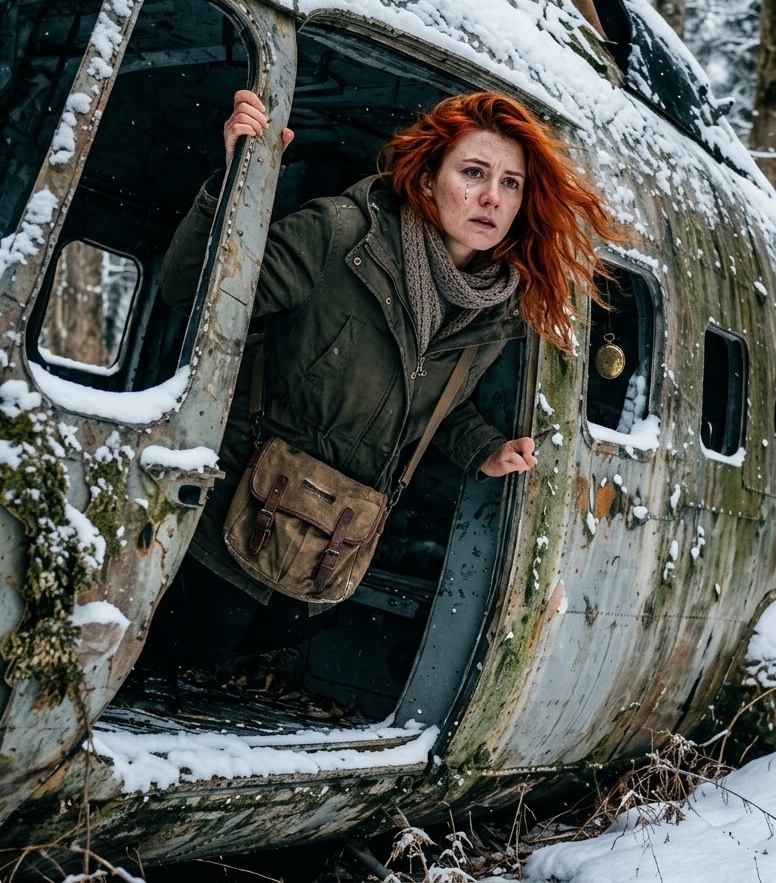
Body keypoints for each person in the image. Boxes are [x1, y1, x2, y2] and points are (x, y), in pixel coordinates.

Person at [128, 87, 622, 706]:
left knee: (280, 633)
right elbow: (191, 290)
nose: (492, 197)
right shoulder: (339, 232)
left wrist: (484, 450)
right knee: (194, 638)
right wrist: (232, 182)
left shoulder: (495, 310)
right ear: (428, 174)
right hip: (242, 500)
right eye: (473, 172)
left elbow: (435, 400)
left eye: (511, 184)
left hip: (339, 535)